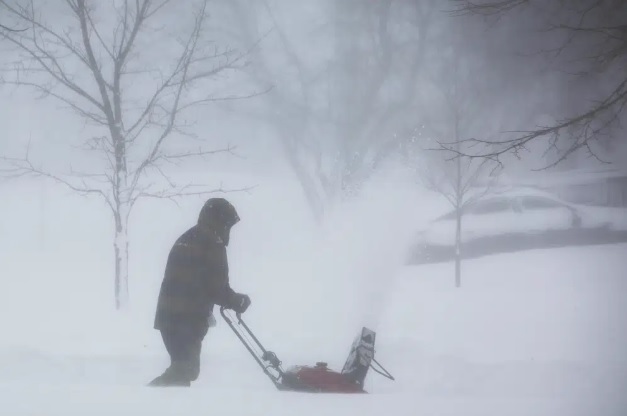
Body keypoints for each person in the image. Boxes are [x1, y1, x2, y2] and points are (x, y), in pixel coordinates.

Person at [148, 198, 251, 387]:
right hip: (187, 319)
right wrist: (238, 301)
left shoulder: (189, 237)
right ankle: (147, 398)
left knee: (182, 369)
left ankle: (166, 405)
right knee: (185, 370)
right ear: (221, 222)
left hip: (168, 317)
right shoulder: (212, 243)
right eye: (228, 224)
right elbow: (216, 287)